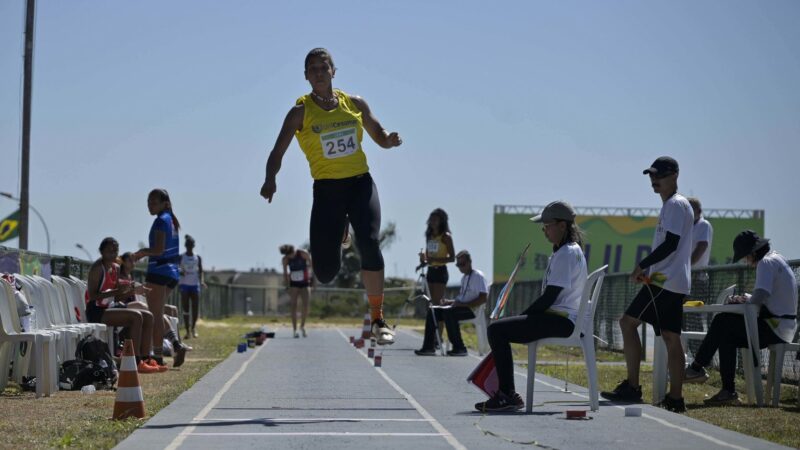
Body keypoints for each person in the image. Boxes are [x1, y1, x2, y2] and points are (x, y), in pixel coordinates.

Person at [260, 48, 402, 345]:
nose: (319, 72)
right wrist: (270, 179)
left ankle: (378, 319)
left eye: (323, 67)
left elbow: (377, 132)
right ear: (306, 76)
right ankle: (341, 232)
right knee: (325, 272)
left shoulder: (355, 103)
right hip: (327, 192)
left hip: (360, 184)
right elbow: (277, 151)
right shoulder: (299, 112)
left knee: (371, 242)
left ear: (333, 71)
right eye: (312, 69)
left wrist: (388, 140)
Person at [475, 201, 587, 412]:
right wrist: (523, 319)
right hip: (560, 318)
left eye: (547, 225)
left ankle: (507, 395)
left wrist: (524, 316)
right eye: (542, 226)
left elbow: (549, 297)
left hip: (562, 321)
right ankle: (507, 393)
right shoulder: (568, 251)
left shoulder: (567, 254)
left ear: (562, 226)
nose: (544, 231)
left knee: (496, 330)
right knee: (501, 329)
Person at [601, 157, 694, 413]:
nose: (654, 180)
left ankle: (633, 387)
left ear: (674, 175)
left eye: (660, 175)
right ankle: (675, 398)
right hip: (670, 281)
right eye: (651, 175)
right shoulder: (675, 205)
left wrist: (643, 265)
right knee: (671, 338)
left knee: (627, 323)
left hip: (665, 283)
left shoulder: (675, 204)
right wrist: (650, 271)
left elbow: (671, 244)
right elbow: (673, 246)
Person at [684, 230, 797, 405]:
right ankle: (726, 390)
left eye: (745, 257)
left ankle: (697, 368)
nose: (746, 262)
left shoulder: (765, 263)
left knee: (722, 321)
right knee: (726, 334)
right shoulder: (777, 258)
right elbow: (765, 297)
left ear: (752, 253)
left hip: (774, 326)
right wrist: (748, 298)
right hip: (784, 326)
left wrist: (744, 299)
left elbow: (759, 297)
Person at [85, 238, 160, 374]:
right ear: (101, 251)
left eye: (115, 250)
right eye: (109, 250)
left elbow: (119, 296)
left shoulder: (116, 268)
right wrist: (115, 292)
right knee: (136, 316)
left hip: (110, 307)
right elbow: (92, 296)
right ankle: (134, 361)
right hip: (96, 311)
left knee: (148, 316)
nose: (113, 253)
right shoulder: (97, 269)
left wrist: (134, 291)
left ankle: (146, 358)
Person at [134, 188, 183, 367]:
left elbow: (158, 250)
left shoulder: (161, 221)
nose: (150, 205)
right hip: (172, 272)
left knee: (153, 316)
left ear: (164, 203)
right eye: (148, 202)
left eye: (154, 202)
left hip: (159, 271)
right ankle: (176, 344)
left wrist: (140, 253)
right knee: (158, 311)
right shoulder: (171, 220)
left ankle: (158, 356)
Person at [118, 252, 190, 365]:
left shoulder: (130, 276)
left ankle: (176, 344)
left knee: (161, 313)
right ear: (123, 262)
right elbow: (119, 292)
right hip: (121, 307)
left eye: (134, 260)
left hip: (133, 308)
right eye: (130, 261)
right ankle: (171, 347)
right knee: (148, 309)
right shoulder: (119, 276)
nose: (133, 263)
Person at [415, 250, 487, 357]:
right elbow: (462, 298)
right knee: (433, 310)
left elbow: (483, 298)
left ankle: (460, 348)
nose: (460, 267)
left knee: (449, 313)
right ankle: (429, 347)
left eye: (462, 264)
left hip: (472, 310)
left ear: (469, 262)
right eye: (458, 265)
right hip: (460, 307)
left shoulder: (478, 276)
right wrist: (450, 302)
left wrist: (462, 305)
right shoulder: (464, 278)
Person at [418, 209, 455, 307]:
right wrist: (423, 259)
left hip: (440, 271)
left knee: (437, 303)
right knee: (429, 302)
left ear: (441, 221)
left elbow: (452, 258)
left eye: (435, 220)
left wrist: (435, 260)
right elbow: (428, 257)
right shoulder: (429, 236)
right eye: (431, 219)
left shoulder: (446, 237)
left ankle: (440, 322)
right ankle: (432, 322)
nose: (432, 222)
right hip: (430, 271)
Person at [280, 244, 313, 338]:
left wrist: (312, 280)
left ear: (294, 250)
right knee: (293, 306)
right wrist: (287, 286)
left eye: (291, 254)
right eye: (288, 256)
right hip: (294, 284)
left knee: (306, 305)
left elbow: (311, 266)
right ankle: (294, 330)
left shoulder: (303, 253)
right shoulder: (285, 259)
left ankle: (302, 326)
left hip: (305, 283)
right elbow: (285, 274)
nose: (291, 257)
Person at [179, 235, 205, 339]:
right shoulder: (181, 257)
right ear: (185, 246)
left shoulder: (197, 257)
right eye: (188, 245)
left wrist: (202, 281)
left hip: (195, 285)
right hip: (184, 285)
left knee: (195, 308)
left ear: (193, 246)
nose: (189, 247)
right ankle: (187, 331)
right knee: (186, 308)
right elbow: (176, 268)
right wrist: (180, 272)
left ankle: (193, 328)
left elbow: (201, 271)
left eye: (191, 245)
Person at [688, 197, 713, 299]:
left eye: (690, 209)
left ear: (699, 211)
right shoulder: (687, 226)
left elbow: (702, 246)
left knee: (696, 312)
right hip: (687, 277)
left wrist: (686, 266)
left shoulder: (704, 225)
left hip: (698, 278)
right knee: (683, 311)